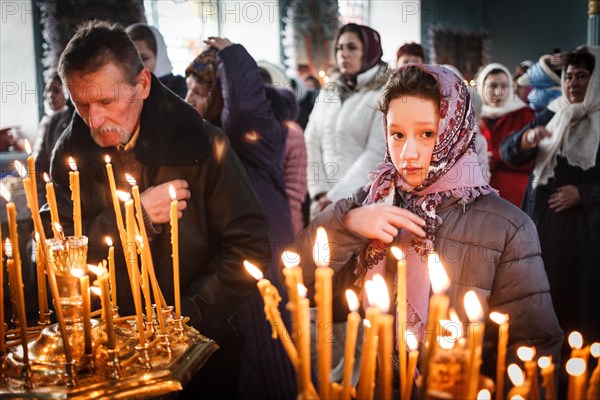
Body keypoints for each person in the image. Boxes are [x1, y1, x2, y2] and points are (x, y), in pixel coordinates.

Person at [291, 64, 563, 397]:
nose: (408, 154)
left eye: (426, 133)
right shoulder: (372, 201)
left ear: (454, 130)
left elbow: (534, 345)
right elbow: (296, 279)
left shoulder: (507, 227)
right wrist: (347, 224)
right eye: (397, 134)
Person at [43, 21, 271, 398]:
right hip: (109, 356)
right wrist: (134, 219)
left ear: (143, 84)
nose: (94, 121)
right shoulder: (70, 159)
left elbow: (250, 247)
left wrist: (184, 320)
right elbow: (61, 262)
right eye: (81, 104)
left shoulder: (201, 144)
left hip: (201, 353)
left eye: (106, 101)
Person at [185, 37, 298, 398]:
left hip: (261, 271)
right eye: (188, 90)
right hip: (232, 275)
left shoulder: (255, 139)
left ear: (222, 96)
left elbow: (245, 111)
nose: (189, 101)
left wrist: (233, 56)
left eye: (199, 92)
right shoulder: (205, 147)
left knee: (269, 362)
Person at [500, 46, 599, 343]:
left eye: (582, 76)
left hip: (586, 236)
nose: (573, 83)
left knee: (580, 306)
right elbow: (509, 151)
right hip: (543, 228)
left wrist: (583, 193)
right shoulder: (552, 113)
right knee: (542, 298)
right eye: (569, 76)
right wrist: (527, 139)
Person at [305, 23, 389, 217]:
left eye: (352, 47)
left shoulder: (383, 94)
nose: (343, 53)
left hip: (362, 203)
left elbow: (376, 153)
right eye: (339, 48)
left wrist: (338, 196)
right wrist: (320, 192)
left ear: (369, 52)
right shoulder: (329, 92)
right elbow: (312, 141)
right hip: (322, 203)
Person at [477, 63, 536, 206]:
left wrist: (495, 157)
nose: (498, 92)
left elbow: (534, 160)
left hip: (515, 196)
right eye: (492, 86)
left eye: (504, 86)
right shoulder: (476, 117)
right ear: (481, 88)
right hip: (482, 197)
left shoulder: (524, 115)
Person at [126, 23, 187, 98]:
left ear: (159, 57)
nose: (135, 66)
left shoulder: (180, 87)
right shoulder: (122, 90)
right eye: (130, 59)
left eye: (144, 59)